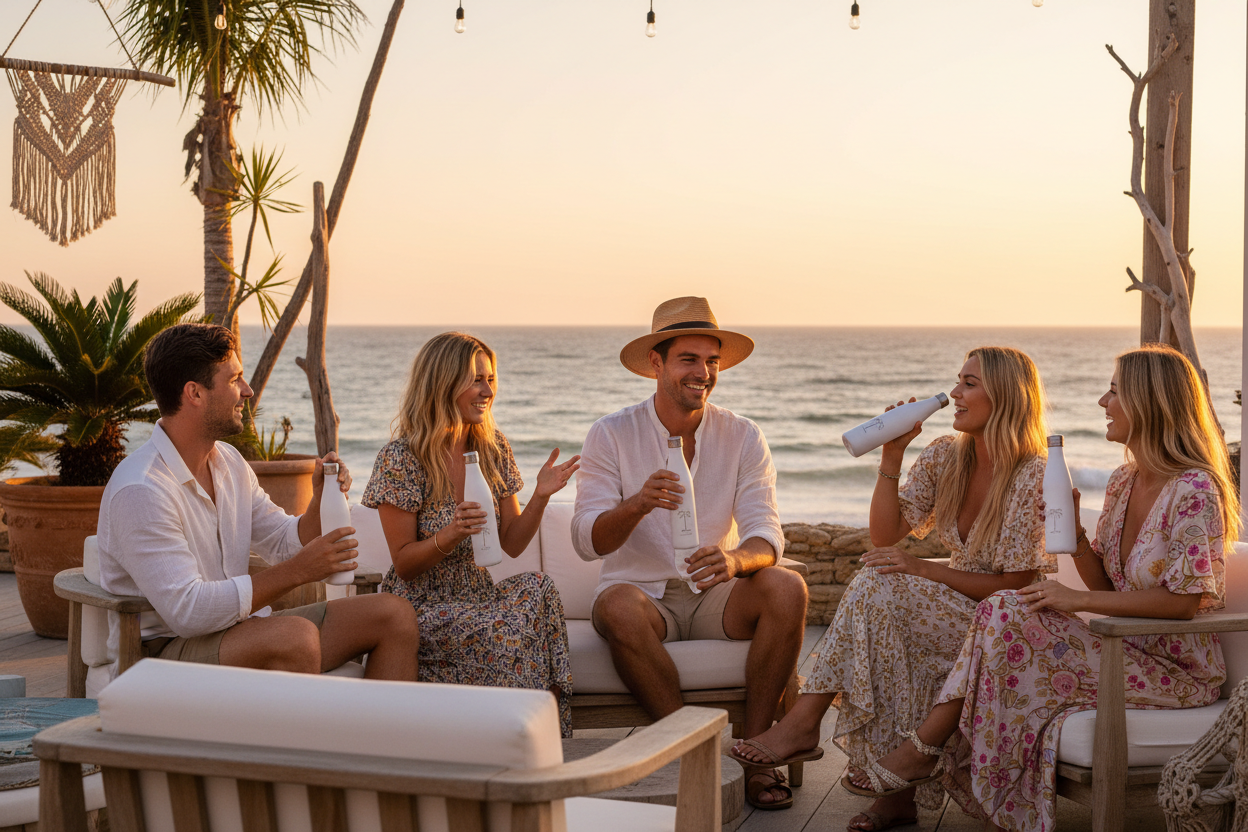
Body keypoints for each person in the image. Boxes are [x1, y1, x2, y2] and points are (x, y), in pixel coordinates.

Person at [844, 344, 1237, 832]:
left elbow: (1184, 604)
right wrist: (1075, 535)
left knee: (1005, 606)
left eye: (1114, 392)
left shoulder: (1195, 489)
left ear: (1150, 402)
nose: (1102, 402)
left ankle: (923, 752)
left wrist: (1077, 600)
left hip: (1173, 672)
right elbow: (1108, 582)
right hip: (1120, 648)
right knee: (1004, 608)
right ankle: (945, 772)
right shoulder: (1124, 480)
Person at [732, 345, 1054, 831]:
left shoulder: (1034, 472)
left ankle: (805, 725)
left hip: (1006, 623)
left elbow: (1014, 584)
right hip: (959, 610)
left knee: (879, 590)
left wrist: (923, 570)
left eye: (969, 383)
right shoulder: (947, 455)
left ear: (1006, 396)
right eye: (957, 380)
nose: (954, 393)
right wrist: (893, 454)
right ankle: (890, 794)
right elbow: (885, 535)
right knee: (880, 603)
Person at [572, 296, 809, 811]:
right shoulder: (611, 434)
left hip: (715, 595)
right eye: (689, 359)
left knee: (787, 586)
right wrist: (637, 504)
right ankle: (694, 751)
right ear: (655, 363)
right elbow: (588, 540)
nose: (703, 373)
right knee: (617, 607)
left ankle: (757, 752)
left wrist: (736, 561)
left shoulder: (743, 435)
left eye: (712, 361)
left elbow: (765, 531)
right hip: (643, 598)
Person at [97, 323, 419, 679]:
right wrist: (299, 571)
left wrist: (319, 500)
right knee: (294, 638)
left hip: (239, 631)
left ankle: (369, 719)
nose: (247, 391)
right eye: (234, 379)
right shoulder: (142, 490)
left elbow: (282, 541)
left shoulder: (229, 463)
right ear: (195, 393)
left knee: (394, 615)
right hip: (164, 653)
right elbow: (188, 612)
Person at [361, 332, 579, 735]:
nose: (487, 392)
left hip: (478, 594)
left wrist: (541, 496)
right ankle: (514, 733)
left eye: (490, 379)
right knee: (502, 630)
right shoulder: (401, 458)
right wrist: (452, 534)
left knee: (540, 589)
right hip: (422, 604)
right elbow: (405, 564)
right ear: (443, 383)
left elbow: (512, 543)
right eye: (476, 380)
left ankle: (546, 726)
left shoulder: (493, 448)